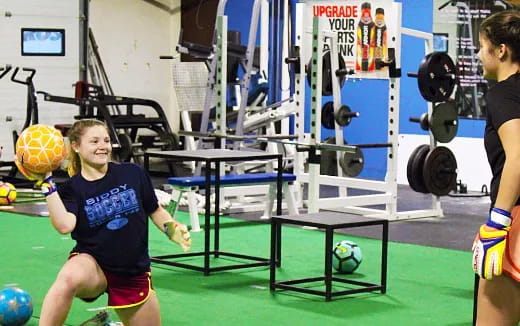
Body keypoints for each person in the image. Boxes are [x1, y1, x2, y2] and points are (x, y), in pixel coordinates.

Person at [31, 119, 191, 325]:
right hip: (94, 266)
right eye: (94, 141)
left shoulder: (132, 173)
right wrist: (47, 186)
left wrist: (172, 228)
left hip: (132, 271)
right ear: (76, 146)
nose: (103, 146)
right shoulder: (72, 188)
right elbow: (64, 225)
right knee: (68, 279)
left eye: (106, 140)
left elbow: (155, 210)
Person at [471, 9, 520, 326]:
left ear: (501, 50)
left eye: (482, 45)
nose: (478, 54)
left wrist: (497, 224)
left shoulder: (503, 94)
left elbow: (518, 154)